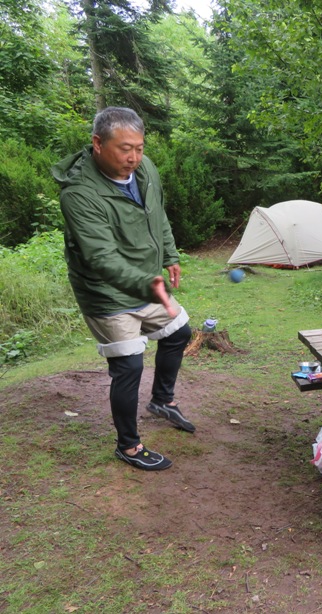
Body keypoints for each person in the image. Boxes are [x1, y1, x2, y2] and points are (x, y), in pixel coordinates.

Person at [52, 106, 196, 470]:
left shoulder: (143, 170)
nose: (134, 157)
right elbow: (100, 257)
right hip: (106, 292)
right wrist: (148, 285)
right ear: (98, 143)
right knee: (129, 365)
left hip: (147, 282)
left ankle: (162, 400)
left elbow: (157, 212)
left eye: (140, 147)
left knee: (179, 332)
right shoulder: (79, 194)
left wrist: (170, 253)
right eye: (124, 148)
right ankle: (128, 446)